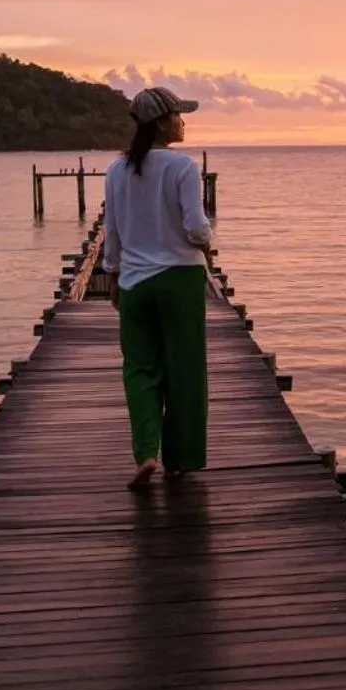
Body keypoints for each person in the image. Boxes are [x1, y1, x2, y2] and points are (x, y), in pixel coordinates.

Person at [100, 86, 215, 489]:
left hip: (135, 282)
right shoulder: (181, 167)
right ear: (164, 121)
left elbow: (110, 232)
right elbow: (196, 226)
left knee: (139, 368)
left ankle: (146, 452)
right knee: (184, 368)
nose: (184, 122)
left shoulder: (116, 171)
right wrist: (207, 241)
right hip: (180, 277)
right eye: (180, 116)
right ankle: (181, 459)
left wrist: (112, 276)